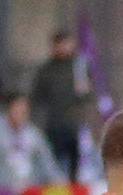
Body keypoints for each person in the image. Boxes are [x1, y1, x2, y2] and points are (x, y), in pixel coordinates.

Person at [0, 92, 63, 193]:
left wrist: (60, 183)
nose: (20, 113)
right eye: (17, 109)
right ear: (9, 109)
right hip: (0, 190)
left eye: (23, 110)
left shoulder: (34, 134)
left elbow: (47, 163)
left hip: (27, 190)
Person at [29, 28, 92, 181]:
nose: (63, 47)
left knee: (76, 168)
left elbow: (88, 96)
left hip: (75, 126)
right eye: (59, 44)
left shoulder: (79, 68)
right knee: (52, 167)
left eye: (66, 43)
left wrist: (85, 91)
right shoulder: (46, 70)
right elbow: (37, 98)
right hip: (53, 125)